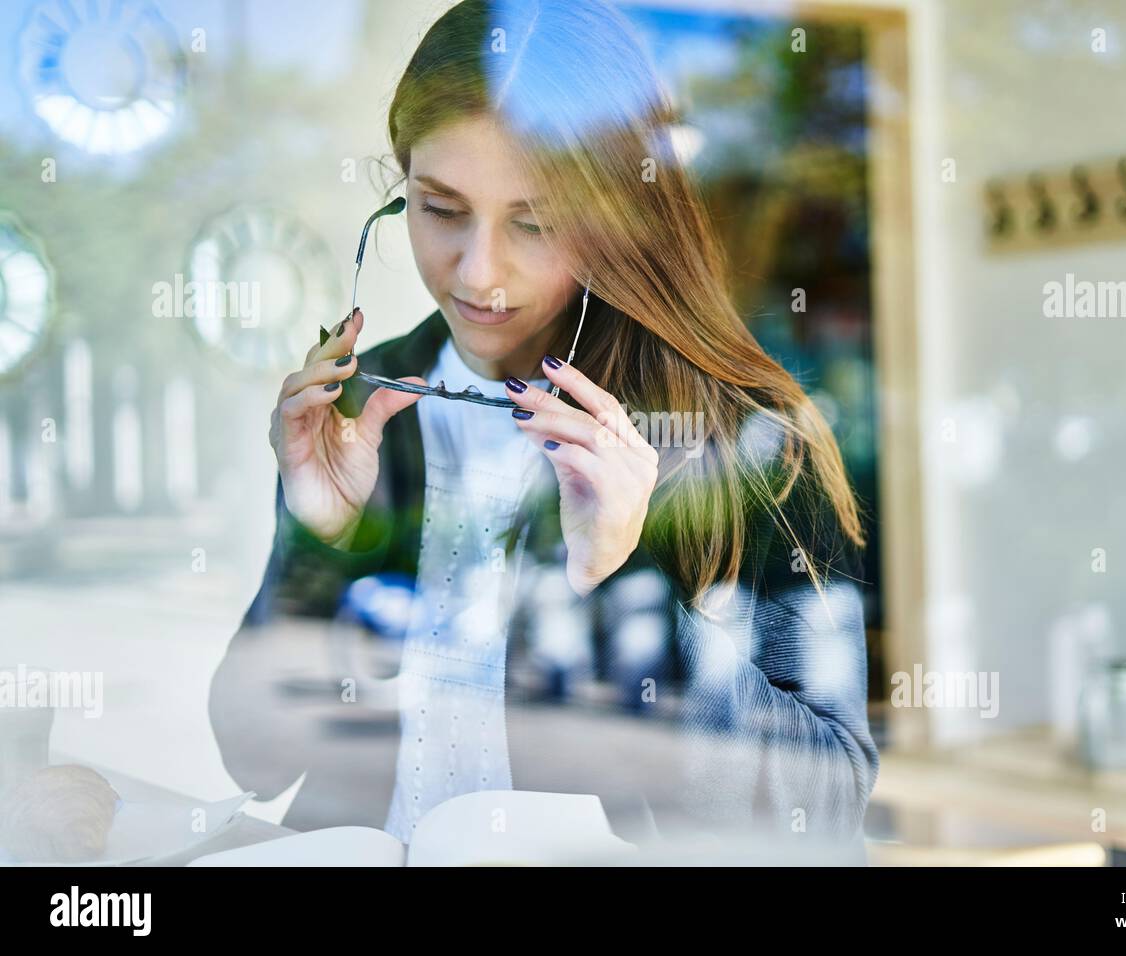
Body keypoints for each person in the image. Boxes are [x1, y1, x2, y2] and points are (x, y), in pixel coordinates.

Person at [209, 0, 878, 860]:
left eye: (536, 222)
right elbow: (251, 757)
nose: (480, 272)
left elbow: (823, 813)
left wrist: (620, 584)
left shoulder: (752, 440)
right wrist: (318, 548)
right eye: (440, 209)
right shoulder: (359, 409)